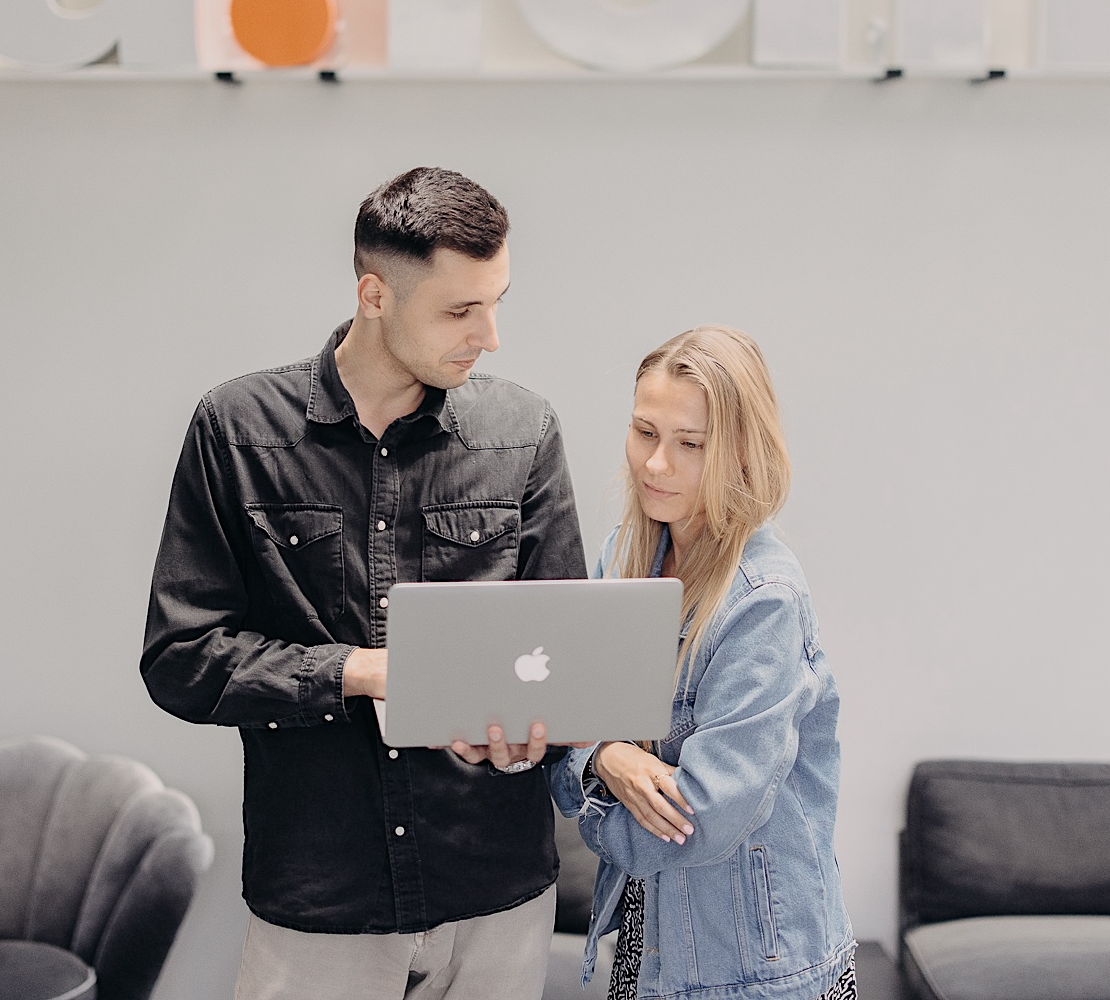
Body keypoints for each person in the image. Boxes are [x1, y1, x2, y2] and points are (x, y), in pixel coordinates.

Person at [141, 166, 587, 1000]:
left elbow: (564, 654)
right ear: (374, 295)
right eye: (460, 310)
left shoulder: (523, 431)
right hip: (320, 896)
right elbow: (181, 658)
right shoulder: (236, 431)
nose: (489, 336)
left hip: (495, 894)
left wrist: (536, 731)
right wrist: (359, 671)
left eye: (497, 303)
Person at [553, 326, 854, 1000]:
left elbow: (700, 814)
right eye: (645, 432)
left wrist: (588, 788)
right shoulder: (621, 560)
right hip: (649, 939)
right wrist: (608, 757)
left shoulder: (764, 597)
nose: (657, 464)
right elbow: (569, 721)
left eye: (691, 444)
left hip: (755, 968)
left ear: (742, 453)